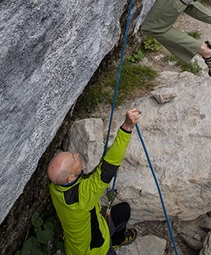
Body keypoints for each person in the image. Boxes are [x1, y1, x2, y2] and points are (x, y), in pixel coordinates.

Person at [47, 108, 141, 255]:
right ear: (70, 177)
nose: (77, 155)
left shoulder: (55, 187)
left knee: (123, 211)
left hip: (81, 243)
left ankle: (116, 242)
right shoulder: (82, 198)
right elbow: (108, 168)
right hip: (97, 250)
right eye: (74, 159)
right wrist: (127, 128)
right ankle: (112, 247)